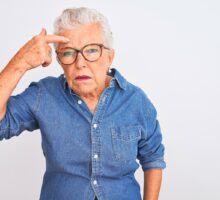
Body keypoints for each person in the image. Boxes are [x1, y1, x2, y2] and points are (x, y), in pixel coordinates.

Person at [0, 7, 166, 200]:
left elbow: (153, 158)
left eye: (92, 50)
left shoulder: (136, 101)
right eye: (68, 53)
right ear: (60, 61)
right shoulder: (43, 95)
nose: (80, 63)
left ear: (109, 57)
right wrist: (21, 63)